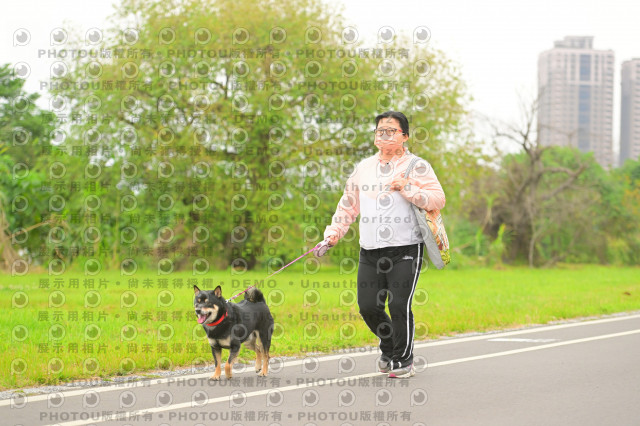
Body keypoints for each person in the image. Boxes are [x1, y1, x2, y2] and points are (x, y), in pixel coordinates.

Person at [318, 111, 446, 378]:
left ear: (404, 136)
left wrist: (408, 188)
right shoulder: (363, 168)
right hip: (370, 250)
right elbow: (347, 206)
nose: (384, 135)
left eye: (391, 130)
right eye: (380, 130)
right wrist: (333, 233)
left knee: (398, 305)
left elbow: (438, 199)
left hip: (406, 248)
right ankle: (388, 346)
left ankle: (403, 359)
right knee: (368, 306)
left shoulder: (417, 166)